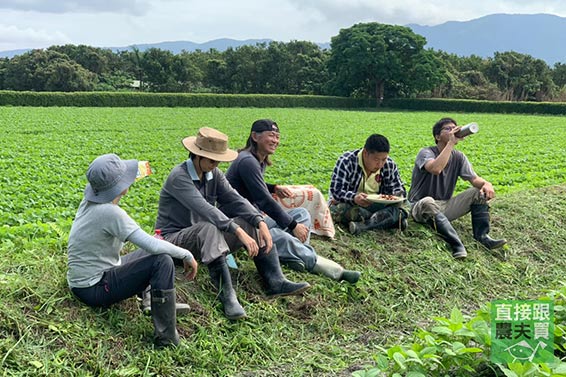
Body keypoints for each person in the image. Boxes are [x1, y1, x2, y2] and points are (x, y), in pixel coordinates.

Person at [154, 127, 310, 320]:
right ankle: (227, 296)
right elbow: (206, 209)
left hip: (204, 240)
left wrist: (259, 221)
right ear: (196, 155)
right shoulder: (179, 177)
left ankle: (275, 281)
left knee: (249, 221)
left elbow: (235, 199)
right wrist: (235, 230)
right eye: (211, 160)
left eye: (218, 160)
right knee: (210, 227)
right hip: (174, 241)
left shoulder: (214, 174)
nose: (215, 165)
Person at [67, 154, 198, 347]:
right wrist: (186, 254)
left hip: (87, 279)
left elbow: (149, 244)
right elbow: (152, 245)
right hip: (93, 287)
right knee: (162, 260)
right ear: (119, 187)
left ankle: (154, 303)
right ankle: (167, 338)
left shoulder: (91, 201)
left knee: (152, 250)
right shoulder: (110, 213)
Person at [226, 119, 360, 284]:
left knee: (301, 214)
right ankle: (334, 271)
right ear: (255, 136)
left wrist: (273, 187)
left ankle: (294, 256)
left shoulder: (257, 160)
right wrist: (292, 226)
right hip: (241, 224)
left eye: (277, 136)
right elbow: (264, 201)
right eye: (271, 136)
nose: (275, 140)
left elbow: (253, 186)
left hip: (254, 218)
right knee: (279, 235)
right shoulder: (248, 161)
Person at [408, 117, 506, 259]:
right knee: (428, 201)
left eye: (455, 128)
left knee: (477, 193)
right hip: (420, 206)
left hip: (444, 206)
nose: (453, 130)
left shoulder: (459, 157)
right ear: (437, 136)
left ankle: (483, 237)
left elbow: (474, 179)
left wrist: (486, 184)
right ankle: (456, 244)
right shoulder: (426, 153)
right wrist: (451, 144)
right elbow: (436, 168)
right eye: (448, 129)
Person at [329, 134, 408, 235]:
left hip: (379, 206)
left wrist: (397, 195)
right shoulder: (347, 161)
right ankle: (389, 221)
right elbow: (336, 190)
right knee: (340, 210)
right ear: (365, 153)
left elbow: (398, 188)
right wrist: (354, 197)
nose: (380, 164)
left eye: (383, 159)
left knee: (403, 208)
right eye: (376, 160)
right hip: (353, 205)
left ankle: (364, 226)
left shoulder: (389, 165)